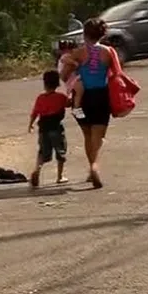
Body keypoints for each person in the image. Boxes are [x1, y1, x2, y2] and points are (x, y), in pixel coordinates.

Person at [59, 18, 113, 189]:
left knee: (87, 135)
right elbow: (116, 74)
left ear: (84, 34)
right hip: (101, 98)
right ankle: (94, 167)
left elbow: (64, 76)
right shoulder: (108, 52)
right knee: (98, 135)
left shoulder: (78, 53)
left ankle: (92, 167)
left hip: (80, 102)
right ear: (102, 34)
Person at [28, 70, 71, 188]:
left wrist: (30, 124)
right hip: (56, 127)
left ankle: (37, 169)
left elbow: (35, 113)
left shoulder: (40, 98)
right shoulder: (60, 97)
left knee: (43, 151)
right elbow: (69, 104)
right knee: (60, 151)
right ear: (57, 83)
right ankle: (60, 176)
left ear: (44, 83)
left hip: (43, 128)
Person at [57, 40, 84, 120]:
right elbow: (67, 61)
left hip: (71, 80)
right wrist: (75, 63)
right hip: (71, 80)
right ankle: (76, 107)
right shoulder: (66, 56)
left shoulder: (66, 56)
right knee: (79, 90)